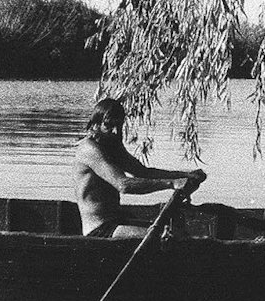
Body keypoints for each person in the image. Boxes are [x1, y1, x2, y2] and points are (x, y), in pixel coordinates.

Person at [74, 97, 207, 237]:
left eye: (119, 126)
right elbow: (123, 185)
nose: (115, 132)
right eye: (108, 125)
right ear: (95, 124)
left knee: (179, 233)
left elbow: (143, 172)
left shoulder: (113, 146)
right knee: (166, 236)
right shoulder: (89, 149)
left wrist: (186, 176)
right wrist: (172, 183)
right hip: (100, 229)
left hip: (117, 222)